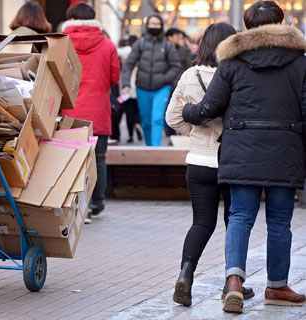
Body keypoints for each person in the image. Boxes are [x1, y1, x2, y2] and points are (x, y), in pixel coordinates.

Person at [181, 1, 306, 313]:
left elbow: (210, 108)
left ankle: (234, 281)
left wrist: (187, 110)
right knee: (280, 220)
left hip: (241, 148)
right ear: (282, 21)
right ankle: (277, 287)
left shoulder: (232, 61)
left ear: (248, 26)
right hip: (285, 149)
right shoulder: (301, 61)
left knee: (240, 215)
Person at [166, 22, 256, 307]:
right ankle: (233, 284)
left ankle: (185, 274)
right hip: (232, 161)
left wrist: (196, 131)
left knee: (202, 222)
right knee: (235, 223)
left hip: (199, 162)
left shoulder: (190, 75)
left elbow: (173, 118)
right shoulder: (238, 74)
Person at [60, 3, 120, 224]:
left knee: (72, 158)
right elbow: (114, 78)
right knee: (99, 158)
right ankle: (97, 203)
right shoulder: (107, 45)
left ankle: (77, 206)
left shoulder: (61, 43)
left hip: (70, 110)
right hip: (98, 110)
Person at [121, 15, 180, 146]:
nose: (154, 27)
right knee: (146, 120)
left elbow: (176, 66)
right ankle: (149, 147)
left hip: (162, 88)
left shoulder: (167, 46)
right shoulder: (140, 44)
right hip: (142, 88)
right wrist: (125, 84)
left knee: (157, 119)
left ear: (161, 26)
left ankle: (155, 149)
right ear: (147, 25)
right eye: (152, 24)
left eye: (157, 24)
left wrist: (165, 79)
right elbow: (129, 64)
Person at [116, 35, 142, 143]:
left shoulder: (127, 51)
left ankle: (131, 134)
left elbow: (117, 51)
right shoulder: (141, 53)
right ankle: (137, 124)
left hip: (127, 87)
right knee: (137, 111)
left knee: (128, 112)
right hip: (140, 86)